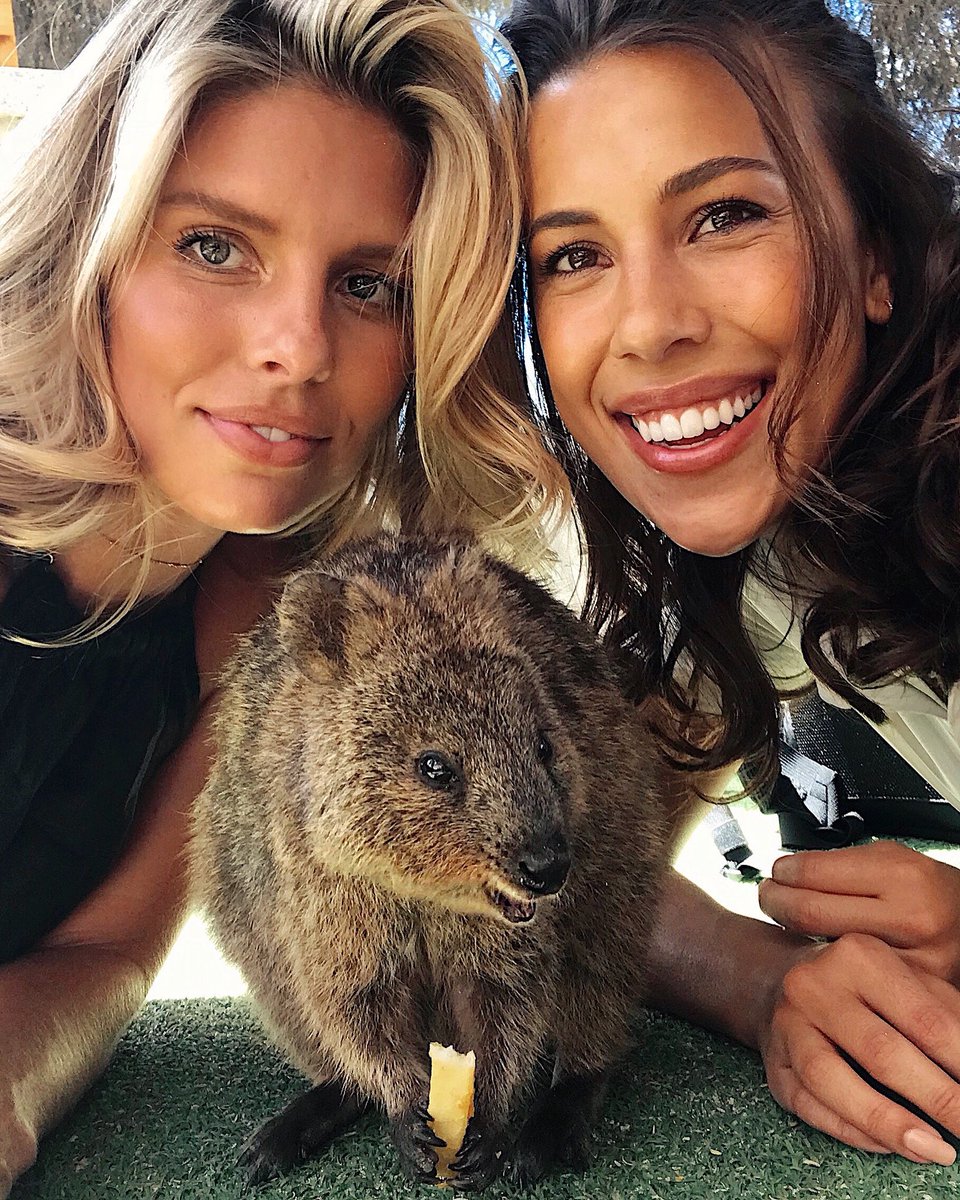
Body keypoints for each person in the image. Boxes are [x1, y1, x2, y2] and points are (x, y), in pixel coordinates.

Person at [0, 0, 536, 1192]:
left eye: (368, 284)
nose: (299, 346)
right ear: (86, 241)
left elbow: (100, 955)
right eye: (212, 245)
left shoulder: (269, 622)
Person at [496, 0, 960, 1171]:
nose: (650, 325)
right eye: (575, 257)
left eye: (726, 214)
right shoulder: (761, 553)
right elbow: (574, 863)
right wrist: (763, 984)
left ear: (877, 260)